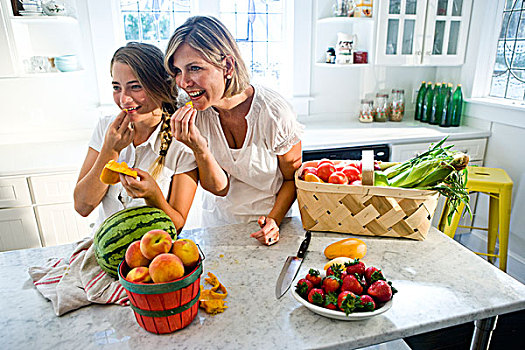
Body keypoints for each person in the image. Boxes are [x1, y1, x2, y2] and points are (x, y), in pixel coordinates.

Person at [165, 16, 303, 246]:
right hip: (218, 230)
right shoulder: (195, 114)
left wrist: (274, 220)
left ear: (228, 66)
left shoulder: (274, 113)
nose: (183, 82)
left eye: (194, 68)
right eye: (178, 71)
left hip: (272, 230)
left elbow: (292, 178)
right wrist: (198, 148)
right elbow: (219, 188)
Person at [74, 42, 199, 232]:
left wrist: (152, 195)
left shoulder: (182, 140)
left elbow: (177, 225)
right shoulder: (105, 128)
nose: (124, 99)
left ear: (160, 86)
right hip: (104, 247)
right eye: (117, 88)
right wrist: (110, 150)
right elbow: (83, 207)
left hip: (154, 252)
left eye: (135, 87)